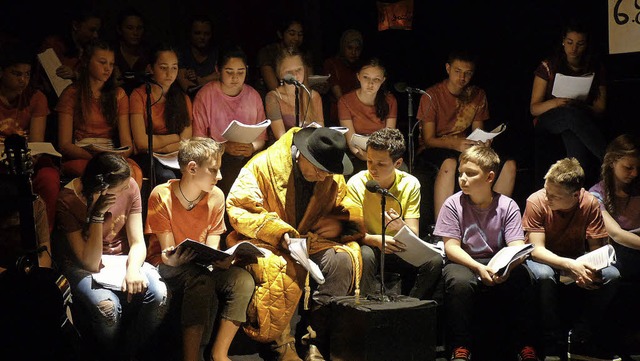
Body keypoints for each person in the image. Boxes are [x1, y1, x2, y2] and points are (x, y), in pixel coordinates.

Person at [226, 127, 364, 361]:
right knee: (278, 267)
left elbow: (348, 204)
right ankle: (282, 344)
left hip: (311, 238)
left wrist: (339, 223)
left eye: (327, 173)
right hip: (269, 241)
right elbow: (240, 209)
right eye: (319, 171)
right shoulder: (262, 165)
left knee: (342, 259)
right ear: (302, 155)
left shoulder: (328, 171)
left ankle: (316, 341)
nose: (323, 177)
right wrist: (279, 233)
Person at [145, 138, 254, 361]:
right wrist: (175, 260)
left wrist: (220, 260)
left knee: (242, 280)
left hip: (200, 264)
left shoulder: (216, 197)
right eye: (213, 170)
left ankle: (219, 353)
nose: (220, 176)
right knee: (201, 280)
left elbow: (212, 247)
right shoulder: (161, 195)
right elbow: (166, 253)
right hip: (167, 266)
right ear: (192, 168)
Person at [54, 152, 167, 361]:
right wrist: (97, 215)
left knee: (159, 294)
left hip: (121, 257)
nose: (128, 188)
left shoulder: (130, 186)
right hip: (82, 263)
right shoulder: (68, 200)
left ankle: (128, 352)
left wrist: (132, 269)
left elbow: (137, 242)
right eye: (121, 187)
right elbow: (88, 261)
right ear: (102, 188)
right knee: (107, 308)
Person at [433, 145, 539, 361]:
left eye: (471, 174)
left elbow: (517, 246)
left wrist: (507, 268)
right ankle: (460, 346)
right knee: (459, 282)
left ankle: (524, 346)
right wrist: (478, 267)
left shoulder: (507, 205)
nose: (463, 179)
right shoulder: (453, 204)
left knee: (523, 277)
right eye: (461, 173)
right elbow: (451, 247)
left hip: (498, 260)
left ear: (490, 176)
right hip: (465, 260)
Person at [523, 158, 620, 360]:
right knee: (544, 275)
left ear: (575, 195)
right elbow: (536, 250)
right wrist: (570, 265)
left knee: (611, 274)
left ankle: (580, 338)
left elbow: (596, 250)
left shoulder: (589, 203)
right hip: (544, 259)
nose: (547, 197)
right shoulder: (537, 201)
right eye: (546, 190)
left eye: (555, 196)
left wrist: (590, 269)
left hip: (576, 257)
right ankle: (552, 342)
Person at [416, 50, 516, 221]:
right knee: (449, 162)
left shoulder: (477, 95)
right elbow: (428, 139)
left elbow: (478, 129)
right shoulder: (432, 95)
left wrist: (484, 142)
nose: (462, 78)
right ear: (448, 68)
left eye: (467, 73)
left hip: (466, 146)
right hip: (438, 147)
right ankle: (443, 226)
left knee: (509, 165)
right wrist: (454, 144)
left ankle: (492, 222)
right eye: (457, 71)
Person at [346, 128, 442, 299]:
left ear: (398, 163)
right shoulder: (356, 183)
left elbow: (413, 232)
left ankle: (411, 307)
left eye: (381, 164)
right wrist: (374, 240)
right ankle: (367, 310)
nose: (372, 169)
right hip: (371, 244)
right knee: (365, 255)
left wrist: (401, 227)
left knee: (434, 261)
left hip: (398, 245)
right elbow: (351, 231)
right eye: (369, 161)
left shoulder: (410, 184)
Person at [56, 39, 142, 187]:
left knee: (134, 172)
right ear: (87, 62)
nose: (108, 68)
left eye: (111, 64)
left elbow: (127, 144)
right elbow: (64, 144)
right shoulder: (72, 93)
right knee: (101, 173)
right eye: (102, 62)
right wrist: (95, 157)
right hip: (83, 153)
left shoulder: (119, 95)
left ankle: (125, 211)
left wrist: (116, 155)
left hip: (110, 152)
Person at [530, 22, 607, 186]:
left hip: (579, 117)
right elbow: (534, 108)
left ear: (586, 45)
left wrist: (581, 106)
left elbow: (600, 108)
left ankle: (577, 186)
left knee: (572, 128)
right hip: (549, 119)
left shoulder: (594, 67)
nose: (574, 49)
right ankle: (609, 159)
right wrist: (557, 102)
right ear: (563, 41)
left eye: (580, 44)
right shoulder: (548, 66)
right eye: (570, 42)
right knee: (568, 114)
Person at [0, 45, 60, 231]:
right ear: (1, 72)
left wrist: (30, 160)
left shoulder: (35, 97)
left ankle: (43, 239)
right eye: (17, 74)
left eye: (27, 74)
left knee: (49, 177)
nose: (23, 80)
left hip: (25, 158)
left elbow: (36, 141)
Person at [192, 45, 266, 196]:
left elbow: (261, 137)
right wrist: (223, 147)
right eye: (229, 72)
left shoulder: (253, 96)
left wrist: (252, 147)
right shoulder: (206, 95)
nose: (235, 77)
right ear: (218, 70)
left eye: (241, 72)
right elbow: (198, 139)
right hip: (216, 155)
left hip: (247, 154)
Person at [130, 43, 192, 184]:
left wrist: (163, 148)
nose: (169, 74)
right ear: (151, 68)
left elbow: (186, 141)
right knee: (166, 176)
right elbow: (141, 142)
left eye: (174, 68)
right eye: (163, 68)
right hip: (147, 156)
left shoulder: (182, 98)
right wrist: (175, 137)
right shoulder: (139, 95)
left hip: (173, 155)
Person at [589, 135, 640, 281]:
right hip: (619, 253)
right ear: (612, 162)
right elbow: (617, 234)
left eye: (638, 168)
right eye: (628, 167)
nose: (635, 173)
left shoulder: (637, 190)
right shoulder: (596, 195)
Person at [338, 58, 397, 174]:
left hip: (383, 152)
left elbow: (390, 135)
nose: (370, 84)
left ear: (383, 80)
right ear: (358, 76)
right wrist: (365, 157)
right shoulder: (345, 101)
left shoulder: (390, 101)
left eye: (376, 79)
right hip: (358, 153)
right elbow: (351, 140)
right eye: (366, 77)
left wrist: (378, 157)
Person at [36, 5, 101, 100]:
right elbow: (56, 86)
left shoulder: (91, 48)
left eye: (97, 31)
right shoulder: (52, 45)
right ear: (75, 26)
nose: (96, 35)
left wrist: (76, 75)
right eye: (91, 30)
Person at [265, 47, 323, 141]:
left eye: (299, 70)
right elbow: (281, 138)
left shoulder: (313, 96)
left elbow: (320, 131)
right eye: (289, 72)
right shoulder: (273, 97)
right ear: (279, 74)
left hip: (310, 149)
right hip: (285, 151)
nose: (295, 75)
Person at [257, 17, 311, 93]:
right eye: (292, 34)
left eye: (300, 34)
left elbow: (309, 81)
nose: (296, 38)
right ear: (280, 34)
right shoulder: (268, 52)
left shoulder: (303, 53)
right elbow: (274, 88)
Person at [323, 29, 363, 126]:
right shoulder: (332, 64)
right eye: (350, 48)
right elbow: (339, 96)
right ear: (343, 47)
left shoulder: (361, 67)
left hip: (359, 111)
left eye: (357, 49)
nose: (354, 52)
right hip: (337, 112)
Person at [177, 15, 219, 96]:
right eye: (197, 33)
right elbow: (189, 89)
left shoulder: (217, 53)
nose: (202, 37)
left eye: (206, 34)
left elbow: (223, 77)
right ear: (190, 34)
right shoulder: (182, 53)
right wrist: (210, 79)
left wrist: (199, 80)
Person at [112, 7, 150, 95]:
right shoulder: (112, 53)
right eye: (130, 28)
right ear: (119, 29)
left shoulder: (148, 54)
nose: (135, 33)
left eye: (139, 28)